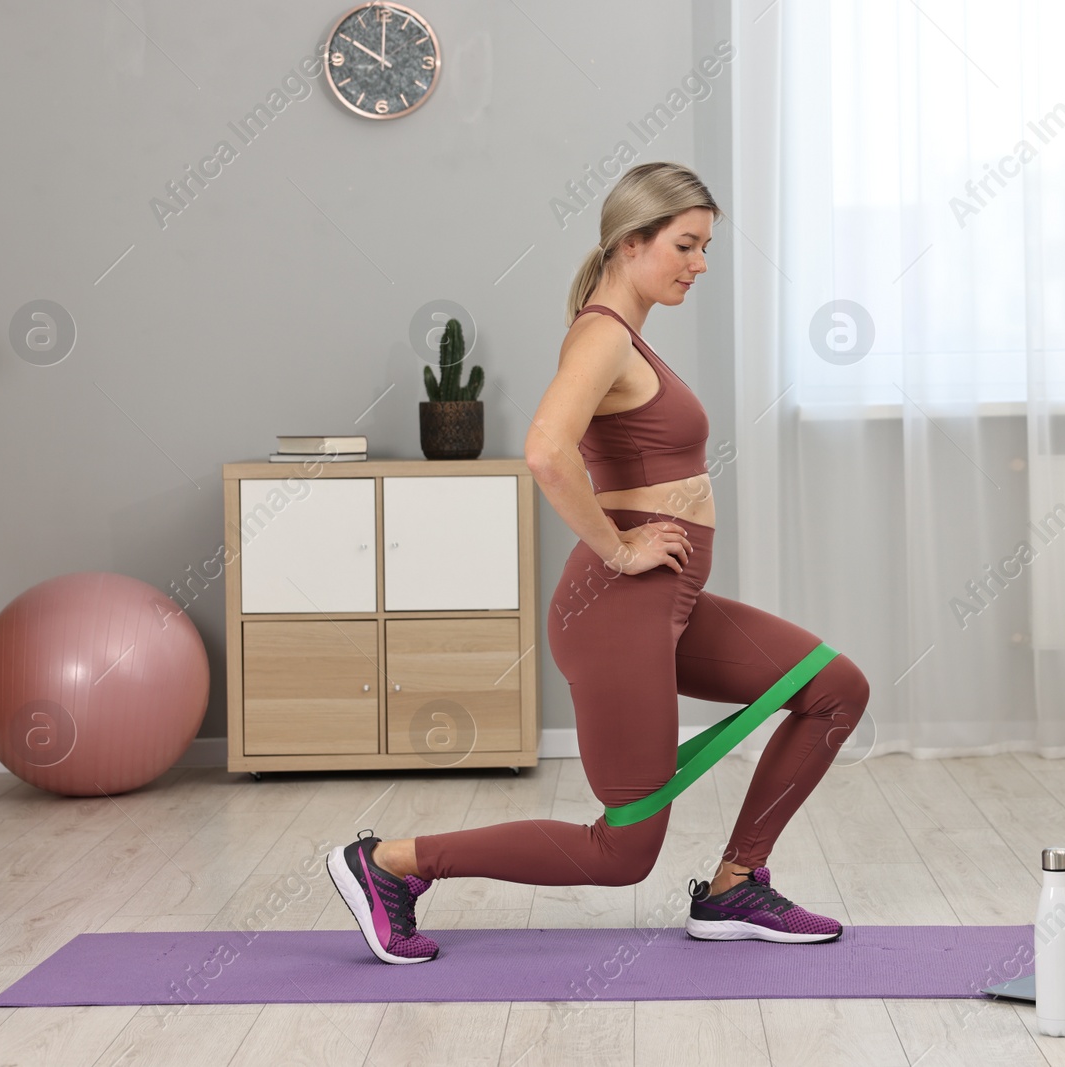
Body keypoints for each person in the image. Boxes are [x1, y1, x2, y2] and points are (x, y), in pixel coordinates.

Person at [326, 161, 871, 964]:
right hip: (619, 610)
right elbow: (546, 451)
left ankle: (734, 886)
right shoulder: (604, 333)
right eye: (686, 244)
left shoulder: (626, 331)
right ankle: (390, 865)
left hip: (664, 605)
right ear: (631, 240)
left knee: (833, 687)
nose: (700, 263)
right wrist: (618, 546)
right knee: (623, 852)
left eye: (705, 246)